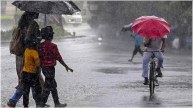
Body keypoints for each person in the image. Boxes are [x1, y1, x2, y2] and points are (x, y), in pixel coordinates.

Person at [7, 11, 45, 107]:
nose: (38, 14)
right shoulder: (32, 25)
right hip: (30, 58)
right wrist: (41, 37)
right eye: (36, 13)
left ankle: (39, 101)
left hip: (20, 58)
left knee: (26, 80)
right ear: (32, 15)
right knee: (31, 80)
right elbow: (30, 41)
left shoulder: (19, 27)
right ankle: (13, 101)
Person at [39, 26, 73, 107]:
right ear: (51, 36)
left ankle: (56, 103)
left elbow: (39, 57)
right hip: (50, 68)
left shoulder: (40, 45)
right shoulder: (53, 46)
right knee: (48, 86)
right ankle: (42, 103)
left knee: (52, 85)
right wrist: (66, 66)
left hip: (43, 68)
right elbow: (59, 57)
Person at [21, 38, 42, 107]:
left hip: (25, 73)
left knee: (26, 91)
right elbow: (38, 64)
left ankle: (25, 105)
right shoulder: (34, 52)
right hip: (32, 74)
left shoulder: (26, 50)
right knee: (37, 89)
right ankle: (38, 104)